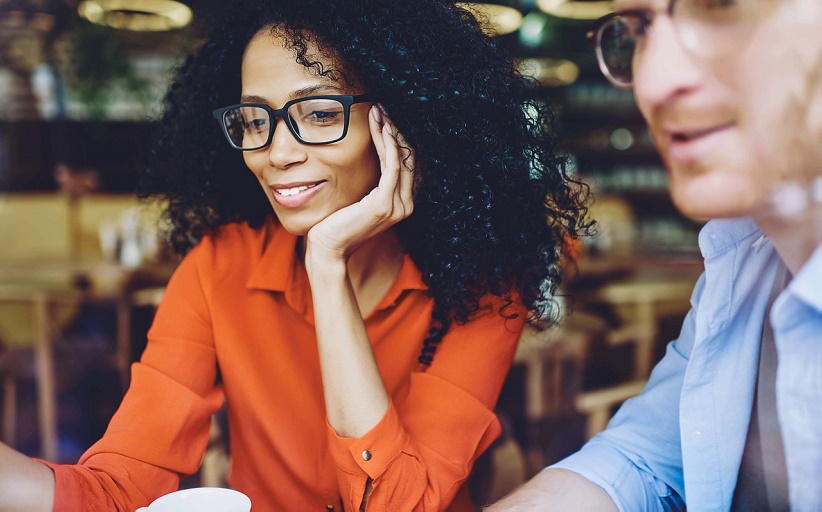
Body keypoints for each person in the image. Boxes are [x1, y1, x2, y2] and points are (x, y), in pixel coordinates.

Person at [0, 1, 590, 510]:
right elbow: (120, 490)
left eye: (320, 114)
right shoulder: (218, 266)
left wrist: (326, 265)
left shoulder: (483, 288)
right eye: (256, 120)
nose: (275, 152)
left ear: (405, 121)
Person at [489, 0, 822, 510]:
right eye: (638, 30)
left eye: (720, 7)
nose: (653, 83)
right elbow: (642, 460)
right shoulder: (745, 260)